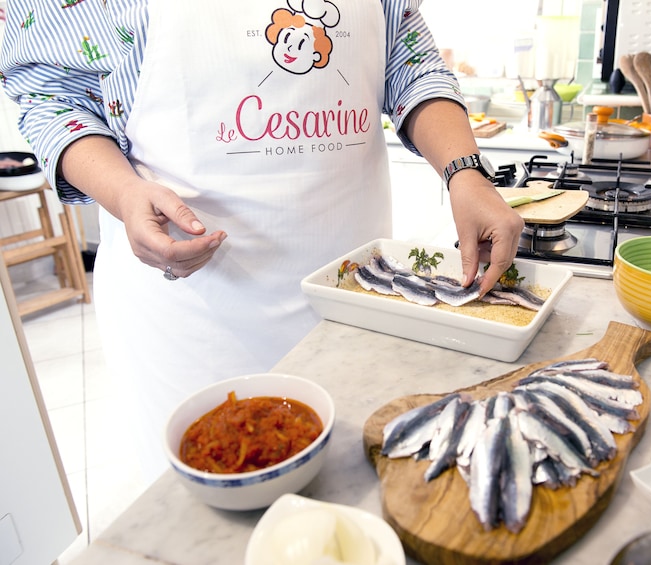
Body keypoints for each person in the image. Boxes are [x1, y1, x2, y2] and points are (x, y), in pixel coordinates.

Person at [0, 0, 524, 481]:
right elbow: (52, 93)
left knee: (356, 490)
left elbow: (408, 62)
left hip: (360, 298)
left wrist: (466, 173)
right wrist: (123, 192)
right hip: (193, 318)